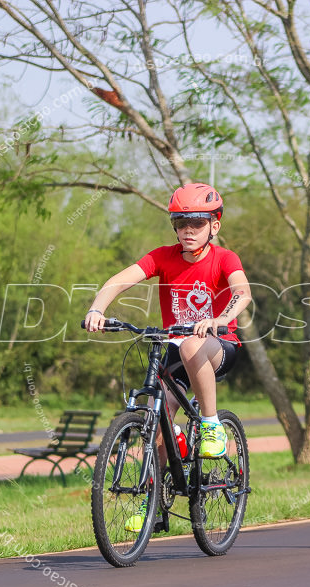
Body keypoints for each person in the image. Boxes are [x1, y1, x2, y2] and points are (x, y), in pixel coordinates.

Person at [83, 183, 252, 532]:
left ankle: (210, 425)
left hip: (219, 346)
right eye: (180, 223)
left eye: (197, 223)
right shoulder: (163, 256)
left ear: (214, 226)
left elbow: (242, 293)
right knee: (159, 417)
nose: (188, 230)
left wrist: (219, 319)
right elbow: (119, 280)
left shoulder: (225, 258)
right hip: (177, 346)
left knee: (190, 344)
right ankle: (154, 501)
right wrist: (97, 308)